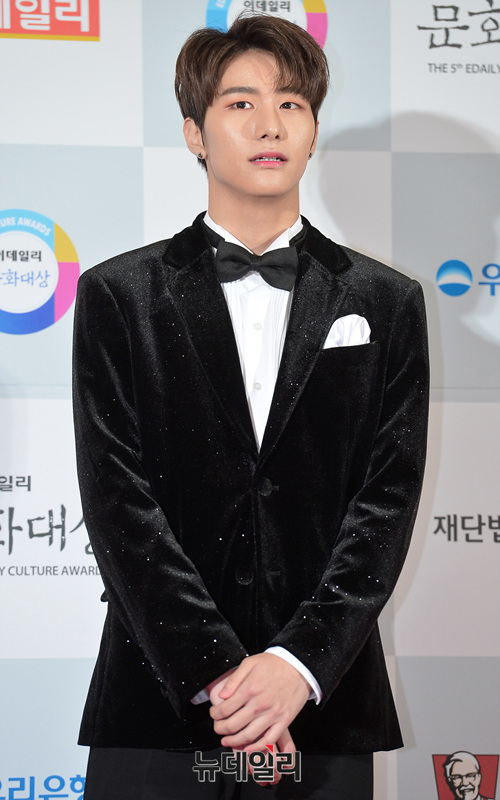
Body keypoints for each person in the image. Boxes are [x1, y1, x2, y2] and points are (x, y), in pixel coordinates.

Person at [72, 13, 429, 800]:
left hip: (322, 702)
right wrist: (222, 674)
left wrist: (296, 667)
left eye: (292, 104)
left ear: (313, 130)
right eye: (241, 103)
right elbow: (117, 500)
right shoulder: (117, 295)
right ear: (194, 133)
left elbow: (387, 501)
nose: (271, 124)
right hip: (161, 697)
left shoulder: (386, 301)